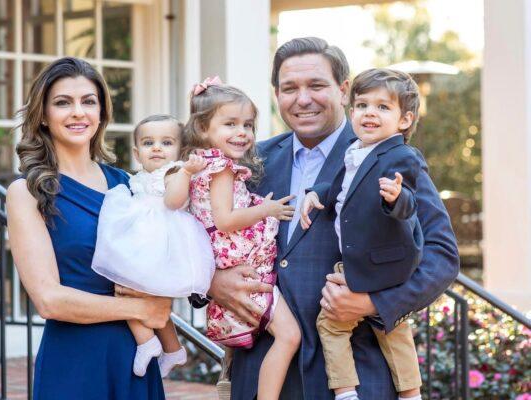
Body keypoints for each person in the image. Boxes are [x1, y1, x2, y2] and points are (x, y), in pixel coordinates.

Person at [205, 37, 459, 399]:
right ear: (276, 94)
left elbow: (441, 254)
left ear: (342, 90)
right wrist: (213, 281)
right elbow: (198, 232)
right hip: (263, 374)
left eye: (317, 85)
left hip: (356, 373)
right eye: (290, 87)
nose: (303, 98)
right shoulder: (249, 160)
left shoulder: (388, 155)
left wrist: (375, 304)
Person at [6, 57, 170, 399]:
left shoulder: (127, 183)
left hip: (134, 356)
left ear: (101, 114)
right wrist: (141, 308)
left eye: (88, 102)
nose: (78, 112)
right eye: (63, 102)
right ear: (44, 116)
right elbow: (49, 299)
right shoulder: (27, 192)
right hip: (75, 360)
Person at [301, 68, 425, 400]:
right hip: (357, 260)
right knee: (331, 324)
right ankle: (346, 392)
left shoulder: (402, 156)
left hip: (385, 264)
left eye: (383, 107)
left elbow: (411, 202)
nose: (370, 112)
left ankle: (410, 394)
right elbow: (341, 188)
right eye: (362, 105)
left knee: (393, 330)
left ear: (404, 120)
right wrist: (316, 194)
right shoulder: (355, 151)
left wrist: (397, 199)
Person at [183, 78, 301, 400]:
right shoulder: (221, 169)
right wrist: (269, 210)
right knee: (289, 336)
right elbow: (226, 219)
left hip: (231, 261)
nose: (242, 133)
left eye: (247, 125)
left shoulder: (202, 165)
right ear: (204, 128)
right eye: (230, 124)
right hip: (239, 263)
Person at [91, 114, 215, 377]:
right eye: (149, 143)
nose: (157, 148)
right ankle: (172, 349)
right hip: (144, 243)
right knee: (141, 296)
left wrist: (186, 172)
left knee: (127, 291)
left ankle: (146, 342)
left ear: (180, 150)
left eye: (166, 142)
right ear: (137, 152)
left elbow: (174, 202)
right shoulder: (137, 177)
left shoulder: (174, 172)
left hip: (162, 244)